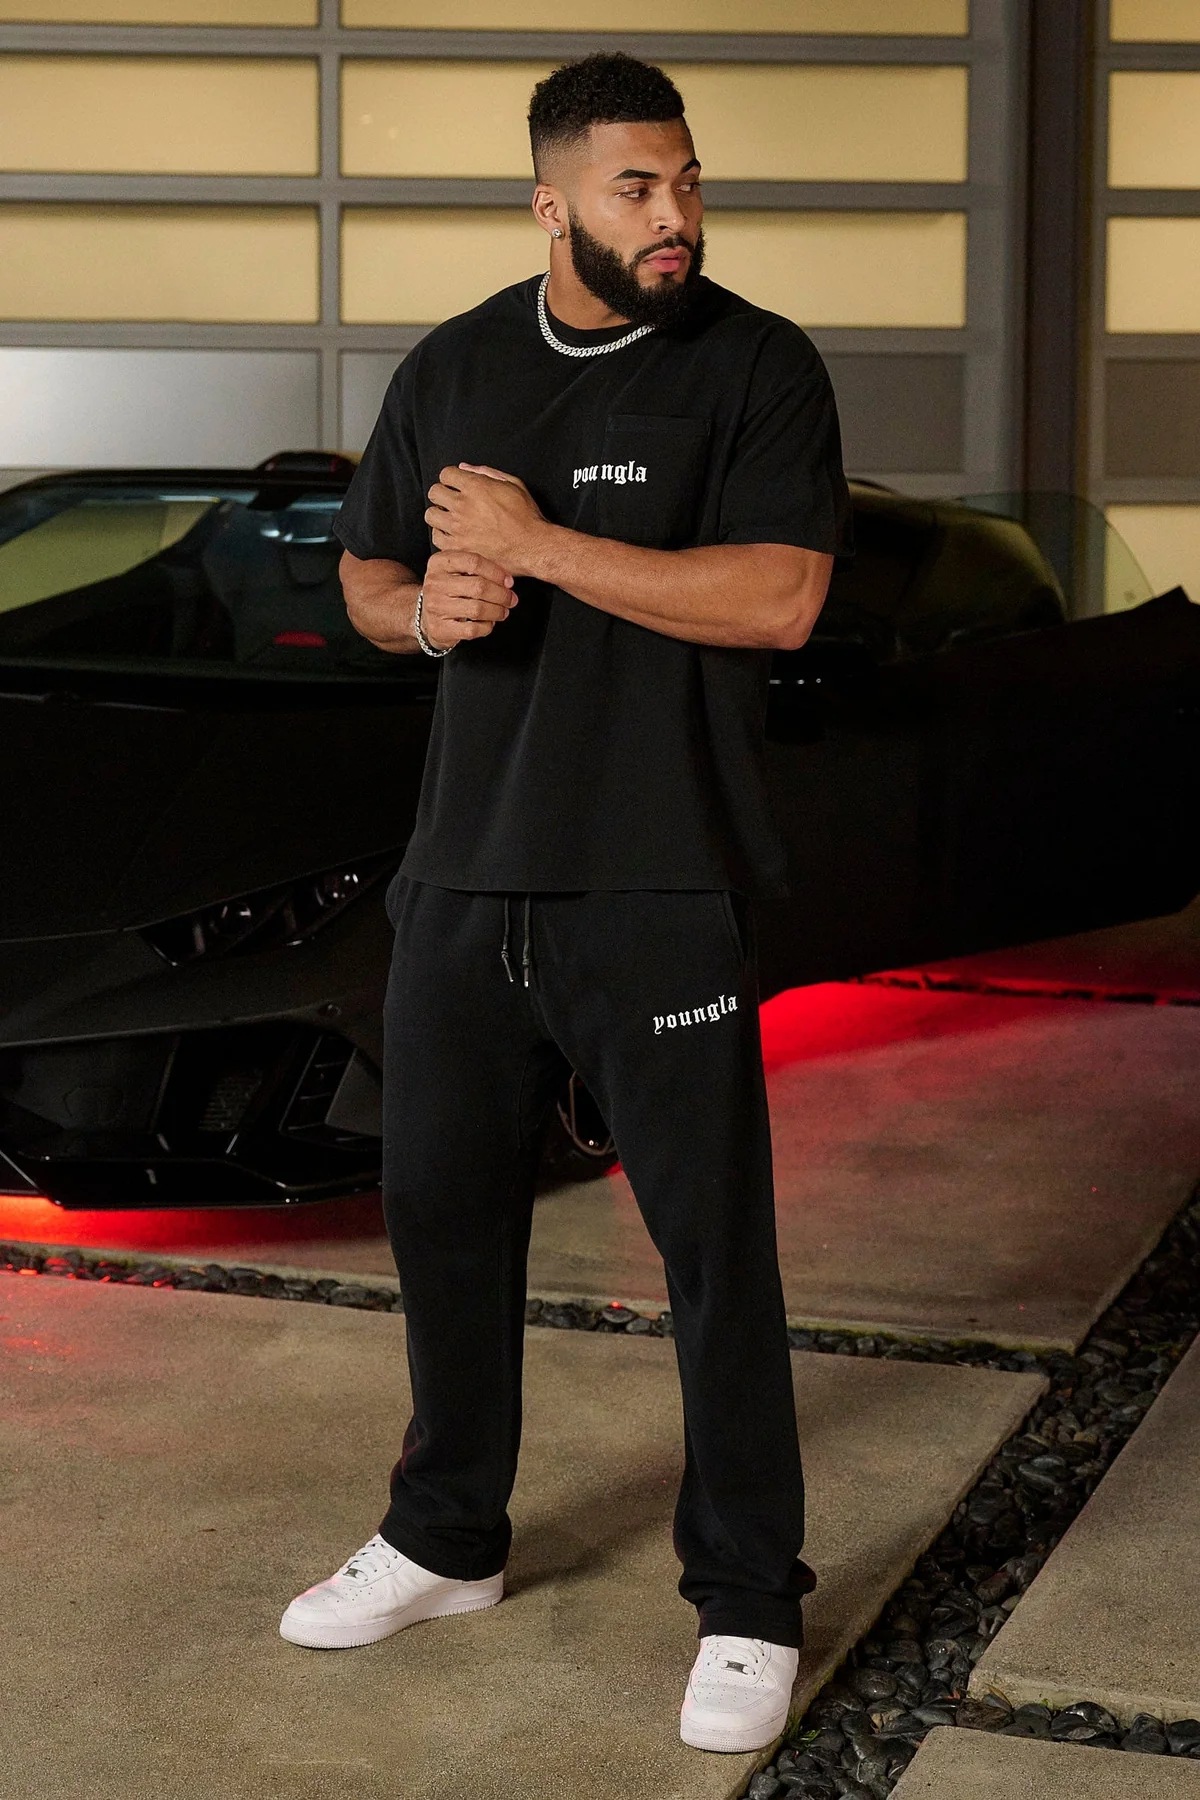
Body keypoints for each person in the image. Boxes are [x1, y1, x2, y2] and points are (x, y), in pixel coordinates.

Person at [279, 50, 852, 1755]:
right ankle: (446, 1537)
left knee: (712, 1255)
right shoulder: (457, 364)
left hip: (659, 878)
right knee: (442, 1223)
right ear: (552, 204)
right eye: (635, 187)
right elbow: (367, 570)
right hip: (465, 878)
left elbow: (782, 599)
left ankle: (747, 1598)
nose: (676, 213)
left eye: (687, 179)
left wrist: (539, 549)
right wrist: (426, 612)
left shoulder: (755, 366)